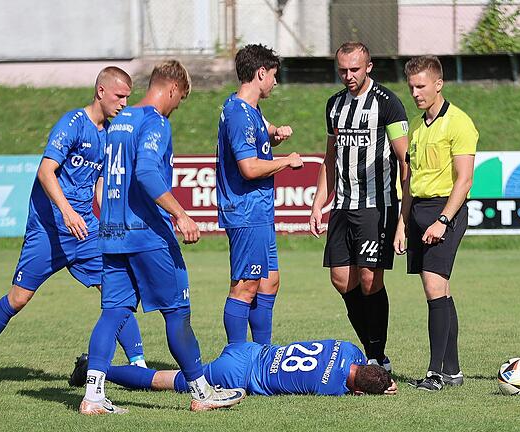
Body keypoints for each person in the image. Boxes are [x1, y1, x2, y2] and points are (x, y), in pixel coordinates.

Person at [0, 67, 148, 390]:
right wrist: (67, 210)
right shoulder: (72, 124)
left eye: (128, 97)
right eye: (119, 96)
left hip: (84, 230)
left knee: (115, 291)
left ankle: (138, 365)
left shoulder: (109, 135)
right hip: (49, 229)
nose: (124, 103)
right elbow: (46, 172)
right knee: (18, 299)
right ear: (101, 92)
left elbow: (98, 184)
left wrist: (110, 220)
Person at [81, 61, 246, 415]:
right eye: (180, 99)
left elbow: (105, 183)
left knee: (112, 313)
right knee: (177, 312)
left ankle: (92, 396)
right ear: (171, 89)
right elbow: (145, 173)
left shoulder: (117, 123)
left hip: (111, 234)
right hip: (146, 236)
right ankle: (202, 393)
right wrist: (180, 213)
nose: (177, 106)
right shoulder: (155, 121)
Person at [308, 42, 408, 371]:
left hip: (376, 206)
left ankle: (376, 356)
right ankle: (372, 349)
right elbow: (331, 156)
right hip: (342, 206)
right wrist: (318, 202)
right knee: (341, 280)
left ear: (369, 67)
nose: (348, 76)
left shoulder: (388, 104)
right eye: (342, 70)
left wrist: (403, 217)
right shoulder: (334, 105)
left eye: (354, 69)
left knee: (369, 280)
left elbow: (405, 160)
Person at [393, 55, 477, 391]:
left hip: (446, 210)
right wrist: (402, 223)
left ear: (438, 84)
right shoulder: (415, 126)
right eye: (411, 86)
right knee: (439, 290)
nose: (415, 93)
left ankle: (435, 373)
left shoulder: (459, 122)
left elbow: (465, 180)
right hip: (418, 212)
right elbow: (409, 179)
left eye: (421, 86)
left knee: (433, 286)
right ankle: (453, 370)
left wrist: (444, 219)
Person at [216, 44, 302, 345]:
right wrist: (286, 161)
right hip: (245, 211)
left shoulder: (247, 108)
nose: (275, 82)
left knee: (269, 282)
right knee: (245, 285)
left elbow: (262, 136)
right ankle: (238, 359)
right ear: (260, 73)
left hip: (259, 212)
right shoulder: (238, 114)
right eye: (274, 75)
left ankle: (263, 355)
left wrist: (274, 136)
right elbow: (249, 168)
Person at [69, 339, 397, 397]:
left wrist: (378, 376)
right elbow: (352, 385)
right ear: (355, 390)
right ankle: (95, 368)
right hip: (237, 376)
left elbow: (363, 367)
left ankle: (97, 368)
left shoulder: (349, 349)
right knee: (168, 381)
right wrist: (378, 387)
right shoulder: (334, 388)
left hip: (249, 349)